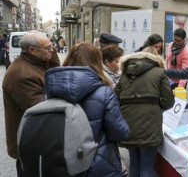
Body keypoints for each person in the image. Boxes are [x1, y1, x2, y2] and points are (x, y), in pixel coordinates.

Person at [45, 42, 129, 176]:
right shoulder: (105, 92)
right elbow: (119, 132)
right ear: (97, 61)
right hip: (98, 163)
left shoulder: (52, 90)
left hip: (62, 161)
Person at [2, 32, 59, 176]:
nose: (52, 50)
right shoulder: (22, 74)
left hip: (37, 140)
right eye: (48, 48)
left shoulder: (37, 62)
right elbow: (40, 108)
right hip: (30, 144)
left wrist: (48, 52)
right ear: (32, 50)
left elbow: (56, 72)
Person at [115, 46, 174, 177]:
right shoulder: (159, 72)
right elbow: (168, 101)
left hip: (129, 124)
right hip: (150, 126)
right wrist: (154, 107)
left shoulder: (125, 73)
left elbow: (116, 99)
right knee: (147, 167)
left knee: (134, 163)